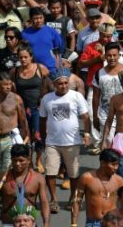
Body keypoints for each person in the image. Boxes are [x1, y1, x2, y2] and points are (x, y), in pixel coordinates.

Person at [39, 68, 91, 213]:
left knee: (73, 174)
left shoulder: (76, 96)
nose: (64, 86)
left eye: (66, 83)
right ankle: (54, 199)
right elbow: (42, 120)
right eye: (60, 84)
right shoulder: (47, 99)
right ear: (55, 85)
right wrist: (43, 139)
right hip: (52, 142)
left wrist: (87, 134)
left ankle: (73, 198)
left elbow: (86, 117)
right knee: (50, 172)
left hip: (72, 142)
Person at [0, 144, 49, 227]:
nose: (17, 164)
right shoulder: (1, 178)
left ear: (29, 160)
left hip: (30, 226)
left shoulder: (38, 178)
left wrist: (46, 223)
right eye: (15, 160)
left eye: (21, 160)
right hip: (9, 226)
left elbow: (44, 202)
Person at [0, 72, 29, 175]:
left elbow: (23, 120)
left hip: (10, 139)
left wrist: (27, 140)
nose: (8, 87)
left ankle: (6, 190)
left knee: (8, 170)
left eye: (10, 84)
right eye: (5, 85)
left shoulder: (16, 99)